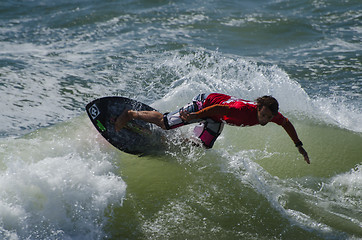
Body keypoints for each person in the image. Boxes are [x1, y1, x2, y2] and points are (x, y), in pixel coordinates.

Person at [115, 93, 310, 164]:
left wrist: (298, 145)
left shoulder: (274, 116)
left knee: (202, 146)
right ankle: (130, 114)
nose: (265, 120)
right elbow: (218, 107)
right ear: (258, 108)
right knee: (165, 123)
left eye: (269, 117)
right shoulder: (241, 109)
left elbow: (286, 124)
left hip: (217, 119)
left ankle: (166, 140)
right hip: (204, 105)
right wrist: (194, 116)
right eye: (263, 115)